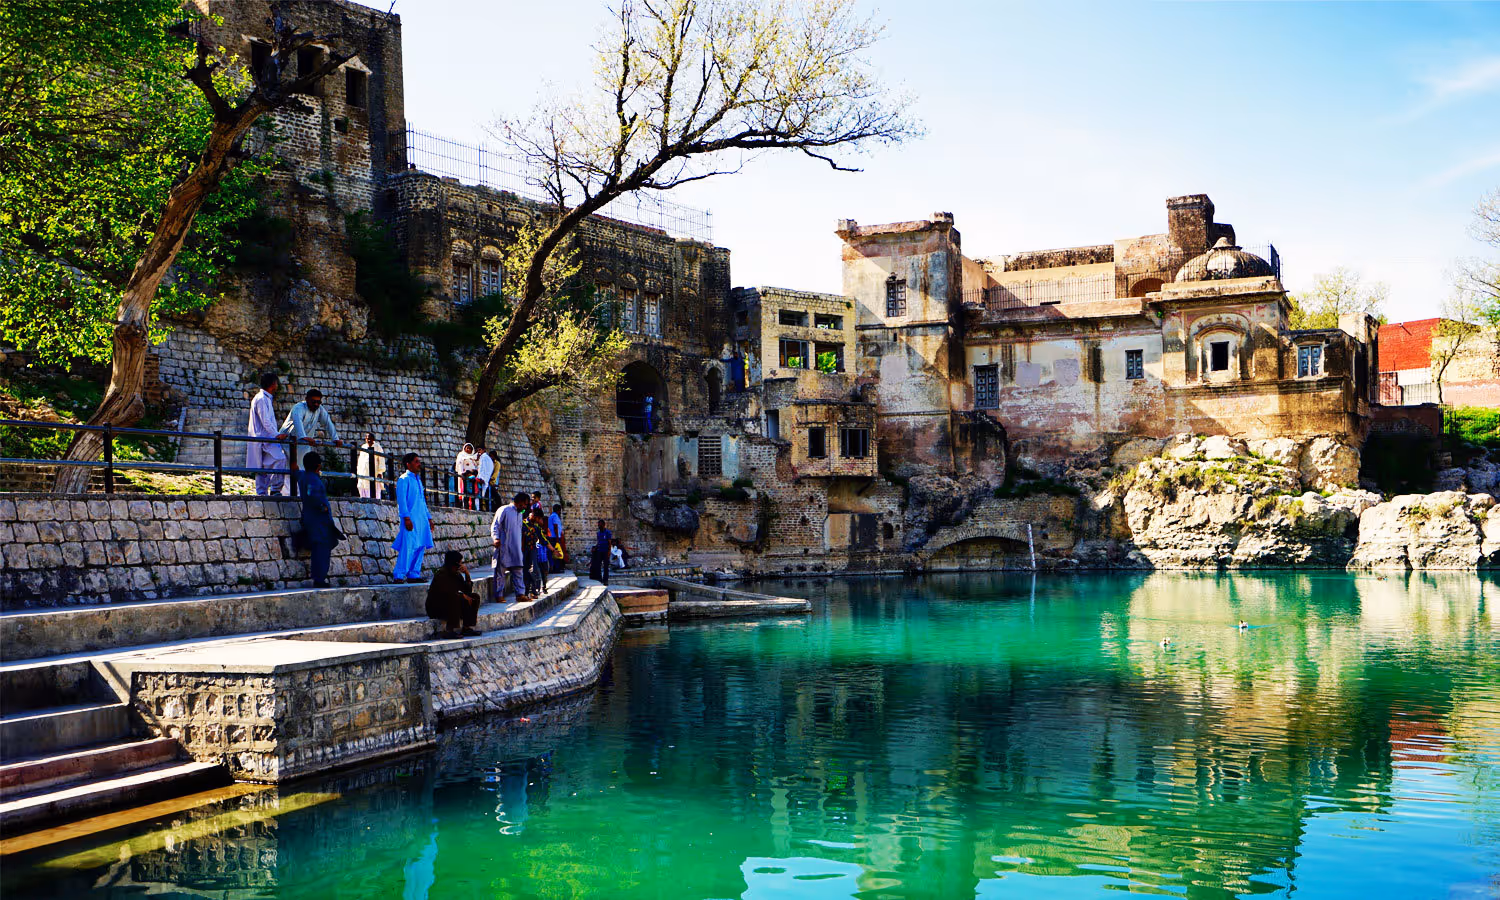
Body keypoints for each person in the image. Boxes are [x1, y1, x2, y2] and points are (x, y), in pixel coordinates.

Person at [297, 451, 342, 588]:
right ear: (318, 466)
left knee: (319, 548)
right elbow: (313, 495)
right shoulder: (313, 480)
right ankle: (319, 579)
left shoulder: (303, 476)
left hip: (310, 518)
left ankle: (319, 577)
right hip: (319, 521)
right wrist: (323, 508)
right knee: (322, 549)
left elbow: (295, 470)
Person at [247, 373, 291, 496]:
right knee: (279, 459)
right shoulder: (261, 399)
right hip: (265, 437)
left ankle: (263, 493)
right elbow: (265, 420)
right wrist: (276, 434)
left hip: (265, 438)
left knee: (263, 466)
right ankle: (274, 490)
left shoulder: (264, 398)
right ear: (273, 384)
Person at [393, 453, 433, 583]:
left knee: (420, 545)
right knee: (408, 546)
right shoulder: (404, 479)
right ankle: (399, 575)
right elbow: (402, 501)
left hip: (421, 519)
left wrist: (429, 518)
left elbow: (422, 501)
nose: (419, 464)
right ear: (408, 464)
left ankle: (413, 574)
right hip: (411, 519)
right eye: (416, 462)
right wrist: (406, 518)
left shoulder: (418, 480)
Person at [426, 550, 482, 638]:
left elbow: (467, 590)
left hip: (451, 604)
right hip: (436, 608)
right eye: (459, 563)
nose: (461, 565)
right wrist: (463, 596)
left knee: (474, 597)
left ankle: (466, 628)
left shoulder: (456, 574)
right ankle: (449, 630)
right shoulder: (441, 574)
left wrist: (467, 574)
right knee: (454, 597)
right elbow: (446, 593)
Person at [492, 491, 529, 603]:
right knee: (500, 572)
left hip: (516, 547)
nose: (525, 507)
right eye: (524, 504)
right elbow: (495, 525)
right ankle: (499, 595)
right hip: (504, 545)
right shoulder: (504, 510)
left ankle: (520, 594)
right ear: (519, 502)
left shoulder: (520, 513)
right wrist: (496, 538)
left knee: (518, 571)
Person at [523, 507, 547, 595]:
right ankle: (526, 591)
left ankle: (533, 590)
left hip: (532, 550)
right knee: (526, 571)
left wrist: (553, 549)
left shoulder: (535, 526)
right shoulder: (523, 523)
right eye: (539, 519)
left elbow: (543, 539)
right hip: (524, 550)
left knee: (534, 570)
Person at [355, 432, 385, 499]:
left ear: (373, 439)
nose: (368, 440)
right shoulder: (363, 447)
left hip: (374, 473)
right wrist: (358, 472)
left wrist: (380, 472)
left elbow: (381, 460)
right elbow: (360, 461)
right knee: (362, 489)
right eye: (367, 439)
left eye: (370, 439)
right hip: (364, 473)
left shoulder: (377, 447)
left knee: (374, 491)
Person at [455, 443, 480, 509]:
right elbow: (459, 465)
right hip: (464, 477)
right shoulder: (461, 456)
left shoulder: (473, 457)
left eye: (470, 448)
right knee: (464, 491)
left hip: (472, 477)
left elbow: (476, 466)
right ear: (464, 448)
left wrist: (473, 472)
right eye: (467, 448)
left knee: (472, 492)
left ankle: (472, 506)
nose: (468, 450)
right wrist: (463, 473)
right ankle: (464, 505)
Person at [590, 519, 612, 585]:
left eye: (600, 525)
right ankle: (599, 579)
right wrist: (595, 548)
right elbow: (598, 542)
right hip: (599, 551)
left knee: (606, 567)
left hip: (605, 551)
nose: (599, 526)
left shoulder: (608, 532)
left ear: (603, 525)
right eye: (598, 525)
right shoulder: (598, 533)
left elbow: (609, 543)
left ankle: (605, 580)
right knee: (598, 566)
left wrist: (609, 552)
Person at [546, 504, 565, 573]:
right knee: (556, 553)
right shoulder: (555, 516)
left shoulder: (551, 516)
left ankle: (553, 568)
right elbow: (555, 527)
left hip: (551, 537)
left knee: (552, 553)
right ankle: (556, 569)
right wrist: (557, 538)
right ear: (559, 510)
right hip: (554, 537)